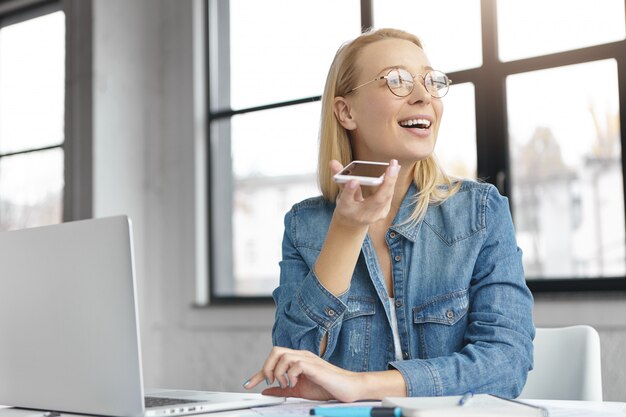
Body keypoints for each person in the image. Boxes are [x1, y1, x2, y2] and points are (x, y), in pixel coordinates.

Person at [243, 27, 535, 402]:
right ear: (346, 111)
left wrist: (360, 385)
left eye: (431, 81)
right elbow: (295, 369)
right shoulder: (304, 226)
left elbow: (507, 363)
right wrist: (347, 231)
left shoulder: (480, 212)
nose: (423, 96)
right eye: (397, 80)